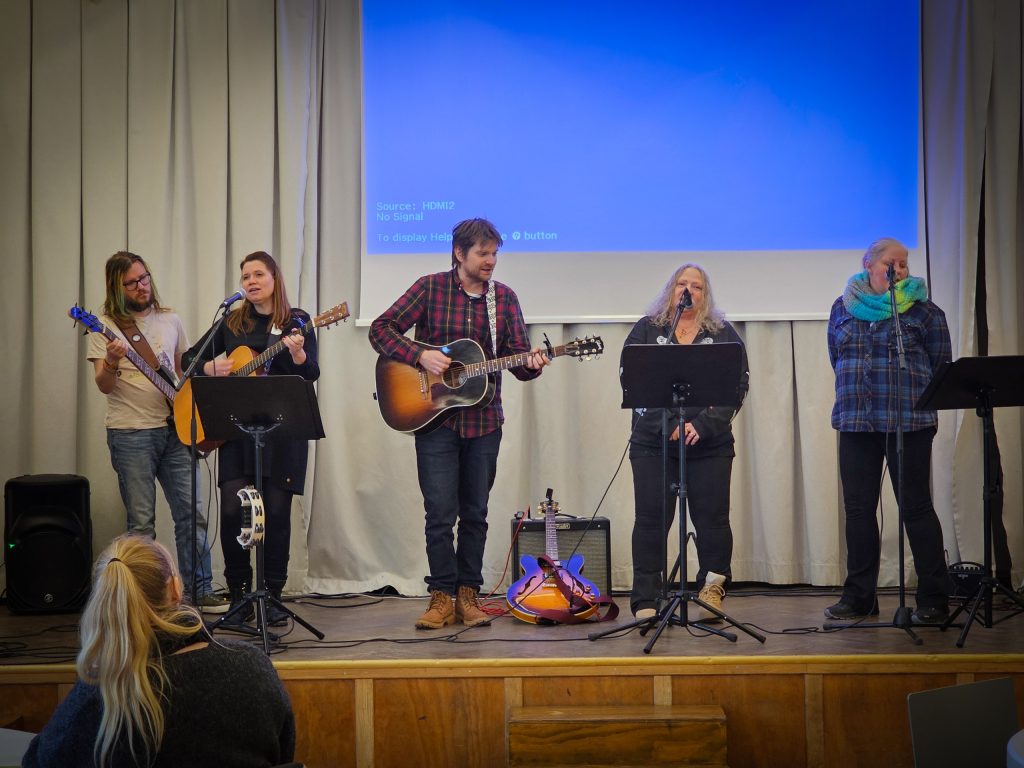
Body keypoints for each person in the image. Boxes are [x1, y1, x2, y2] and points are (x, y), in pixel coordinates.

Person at [369, 218, 550, 629]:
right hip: (435, 422)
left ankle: (468, 595)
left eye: (494, 254)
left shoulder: (504, 299)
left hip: (484, 422)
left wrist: (534, 363)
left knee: (475, 513)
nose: (491, 261)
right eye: (483, 253)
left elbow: (518, 359)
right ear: (459, 253)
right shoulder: (430, 288)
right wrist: (420, 355)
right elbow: (380, 329)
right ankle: (440, 597)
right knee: (439, 514)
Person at [21, 534, 296, 767]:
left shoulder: (101, 696)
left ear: (106, 597)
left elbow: (37, 761)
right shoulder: (252, 668)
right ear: (175, 588)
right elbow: (284, 753)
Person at [183, 251, 319, 628]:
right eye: (246, 277)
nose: (251, 281)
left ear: (275, 278)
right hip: (238, 432)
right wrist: (210, 366)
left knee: (275, 514)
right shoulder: (232, 321)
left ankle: (272, 598)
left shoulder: (297, 321)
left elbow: (311, 373)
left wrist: (298, 353)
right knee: (232, 512)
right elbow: (188, 360)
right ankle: (240, 598)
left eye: (259, 274)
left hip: (283, 433)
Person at [87, 251, 225, 613]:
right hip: (130, 432)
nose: (141, 286)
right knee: (142, 523)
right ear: (117, 287)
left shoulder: (170, 319)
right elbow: (103, 385)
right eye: (132, 283)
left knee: (192, 513)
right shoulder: (103, 326)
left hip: (175, 430)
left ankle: (199, 590)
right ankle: (146, 601)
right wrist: (112, 359)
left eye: (144, 278)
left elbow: (180, 373)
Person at [825, 237, 951, 623]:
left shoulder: (925, 312)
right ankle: (859, 597)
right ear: (869, 265)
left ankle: (933, 599)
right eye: (891, 263)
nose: (899, 270)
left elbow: (941, 365)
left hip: (909, 424)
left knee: (916, 507)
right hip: (856, 422)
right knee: (858, 510)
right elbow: (835, 356)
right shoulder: (842, 307)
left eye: (904, 263)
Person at [624, 263, 749, 622]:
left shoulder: (723, 334)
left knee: (713, 520)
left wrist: (702, 426)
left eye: (696, 286)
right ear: (671, 290)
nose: (688, 290)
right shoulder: (647, 330)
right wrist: (668, 425)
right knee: (650, 520)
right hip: (653, 444)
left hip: (710, 445)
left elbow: (738, 386)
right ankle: (646, 598)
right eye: (682, 284)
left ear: (705, 295)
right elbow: (632, 382)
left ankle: (712, 590)